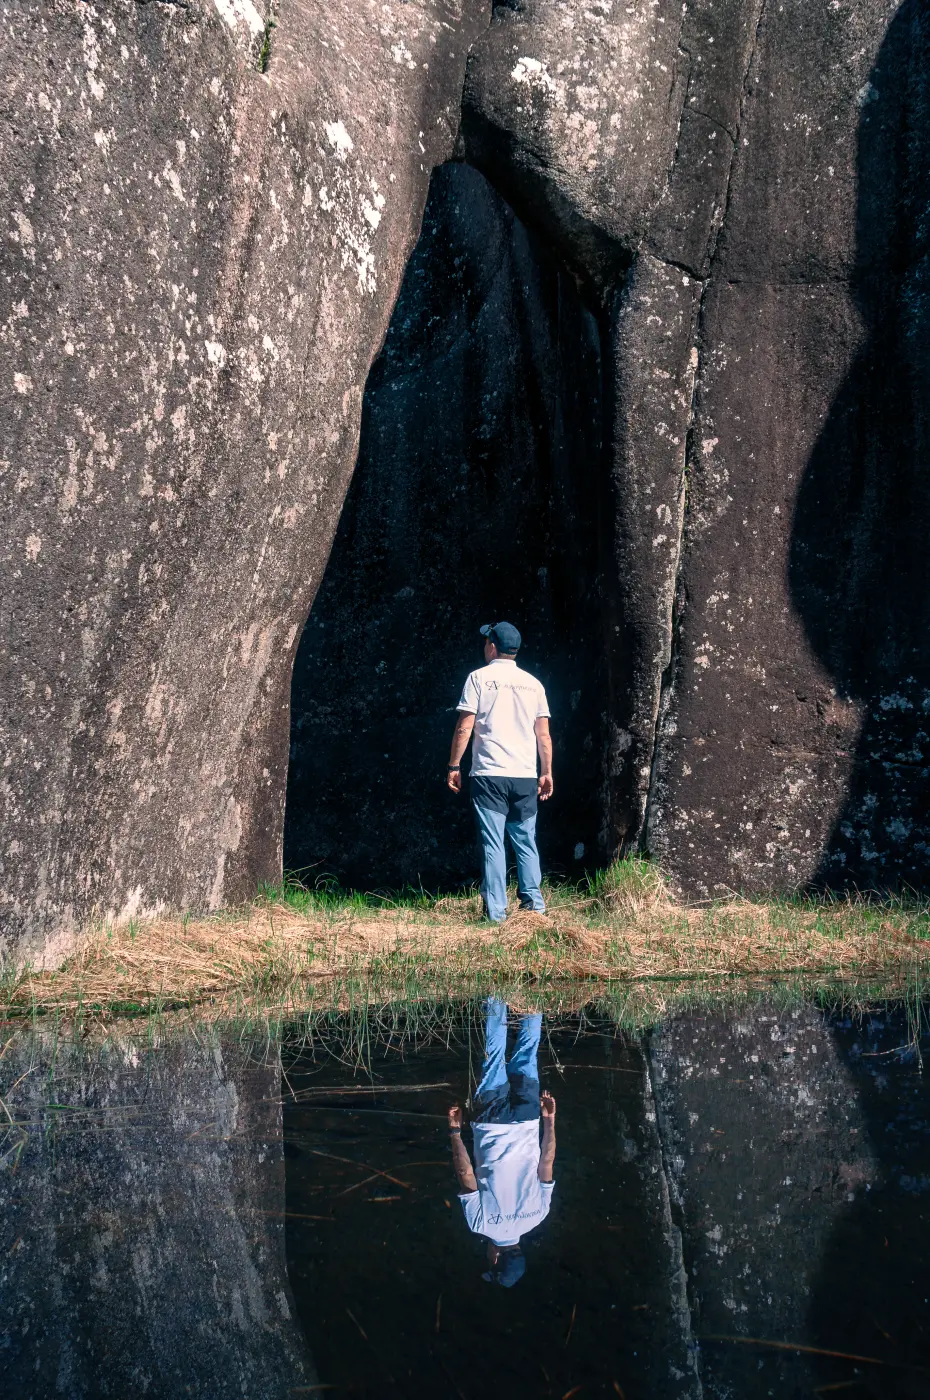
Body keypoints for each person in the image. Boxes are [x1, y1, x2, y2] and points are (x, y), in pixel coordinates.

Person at [446, 621, 553, 924]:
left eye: (485, 642)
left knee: (493, 844)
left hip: (489, 774)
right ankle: (535, 909)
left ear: (492, 646)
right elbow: (543, 736)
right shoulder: (533, 684)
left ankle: (496, 915)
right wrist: (546, 772)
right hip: (524, 775)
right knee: (526, 841)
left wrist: (454, 765)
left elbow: (465, 726)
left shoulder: (478, 678)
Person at [447, 997, 556, 1286]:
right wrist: (455, 1132)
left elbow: (546, 1160)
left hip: (528, 1118)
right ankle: (496, 997)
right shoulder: (479, 1225)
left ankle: (536, 990)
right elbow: (465, 1173)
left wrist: (550, 1121)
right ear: (495, 1258)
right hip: (491, 1121)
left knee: (527, 1054)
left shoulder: (539, 1215)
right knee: (494, 1056)